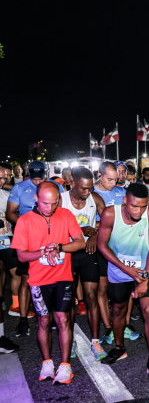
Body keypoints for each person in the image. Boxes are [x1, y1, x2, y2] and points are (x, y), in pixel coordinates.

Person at [11, 181, 86, 384]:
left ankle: (65, 366)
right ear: (36, 199)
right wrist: (44, 250)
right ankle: (47, 363)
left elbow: (81, 242)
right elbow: (21, 256)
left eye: (54, 203)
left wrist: (60, 247)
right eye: (45, 203)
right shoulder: (24, 221)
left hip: (63, 277)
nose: (49, 208)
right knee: (44, 321)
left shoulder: (65, 215)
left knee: (62, 319)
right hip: (38, 280)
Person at [97, 183, 149, 376]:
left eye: (143, 206)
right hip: (119, 268)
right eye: (134, 206)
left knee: (148, 310)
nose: (139, 211)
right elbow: (102, 245)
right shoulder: (110, 214)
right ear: (125, 200)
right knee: (118, 309)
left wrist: (144, 278)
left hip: (144, 269)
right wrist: (126, 269)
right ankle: (119, 348)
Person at [6, 161, 65, 338]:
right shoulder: (19, 188)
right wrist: (27, 226)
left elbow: (60, 211)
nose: (38, 181)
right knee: (26, 279)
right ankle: (23, 320)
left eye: (41, 177)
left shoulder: (55, 187)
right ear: (29, 173)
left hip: (50, 236)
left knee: (53, 279)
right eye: (34, 178)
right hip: (28, 238)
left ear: (46, 172)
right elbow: (10, 212)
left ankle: (53, 316)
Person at [62, 167, 108, 360]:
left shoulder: (95, 199)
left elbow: (108, 222)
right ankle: (70, 340)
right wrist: (83, 229)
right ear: (73, 183)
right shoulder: (61, 199)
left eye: (90, 188)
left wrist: (95, 233)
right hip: (68, 254)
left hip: (88, 253)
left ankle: (95, 342)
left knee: (92, 297)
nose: (87, 192)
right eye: (83, 189)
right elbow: (53, 225)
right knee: (69, 299)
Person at [93, 162, 129, 344]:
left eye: (116, 179)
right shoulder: (91, 192)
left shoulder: (121, 192)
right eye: (109, 179)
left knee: (124, 285)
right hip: (101, 246)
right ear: (99, 175)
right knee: (103, 288)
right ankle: (108, 327)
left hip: (122, 246)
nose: (114, 183)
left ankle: (124, 324)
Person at [0, 165, 21, 353]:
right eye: (0, 177)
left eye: (4, 178)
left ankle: (1, 337)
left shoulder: (7, 195)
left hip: (6, 242)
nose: (2, 180)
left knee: (15, 275)